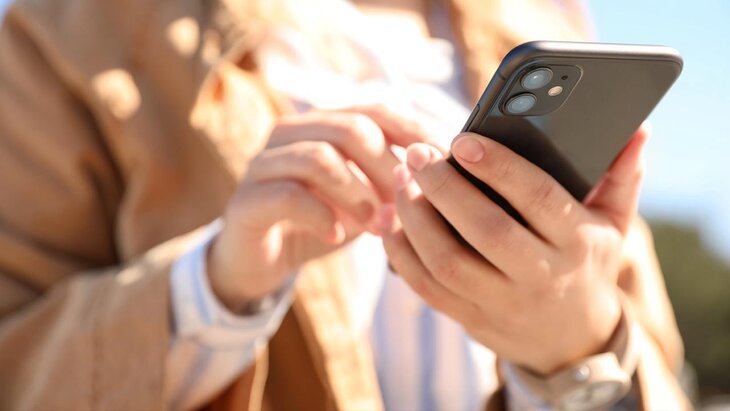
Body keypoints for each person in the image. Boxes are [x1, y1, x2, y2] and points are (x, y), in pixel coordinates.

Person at [0, 0, 688, 409]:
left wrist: (576, 348)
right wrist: (212, 288)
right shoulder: (75, 29)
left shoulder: (538, 18)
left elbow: (656, 369)